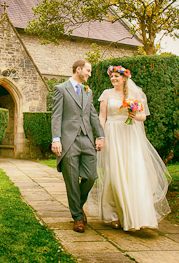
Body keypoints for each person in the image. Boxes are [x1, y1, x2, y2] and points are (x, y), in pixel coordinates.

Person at [96, 65, 170, 231]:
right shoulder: (106, 94)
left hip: (130, 135)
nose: (113, 79)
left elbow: (143, 116)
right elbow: (102, 116)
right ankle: (114, 214)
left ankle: (138, 215)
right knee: (114, 173)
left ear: (124, 78)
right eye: (111, 76)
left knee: (134, 172)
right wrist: (101, 136)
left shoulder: (135, 94)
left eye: (116, 76)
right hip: (113, 134)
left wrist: (135, 116)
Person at [51, 59, 105, 233]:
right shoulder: (61, 89)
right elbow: (56, 116)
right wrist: (56, 139)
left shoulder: (87, 91)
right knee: (72, 180)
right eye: (88, 71)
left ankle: (77, 205)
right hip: (69, 141)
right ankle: (77, 217)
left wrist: (101, 135)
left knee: (91, 176)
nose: (89, 74)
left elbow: (93, 115)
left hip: (87, 139)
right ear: (79, 69)